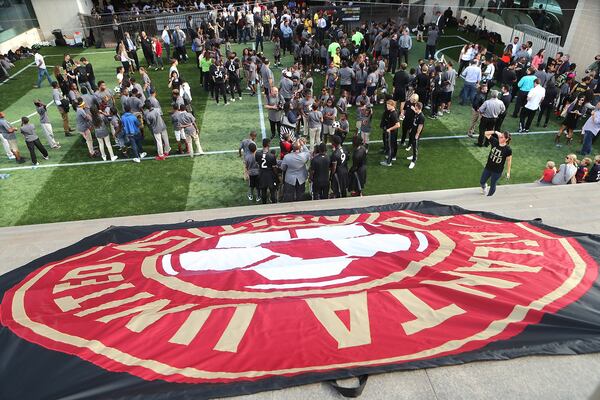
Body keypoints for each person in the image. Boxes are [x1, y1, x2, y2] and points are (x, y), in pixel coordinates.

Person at [480, 130, 512, 196]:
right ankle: (484, 187)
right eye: (500, 136)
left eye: (502, 137)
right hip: (488, 167)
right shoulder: (495, 141)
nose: (500, 138)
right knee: (482, 181)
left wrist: (508, 172)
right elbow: (485, 133)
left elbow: (509, 160)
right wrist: (495, 132)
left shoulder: (508, 149)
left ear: (506, 139)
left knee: (493, 184)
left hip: (497, 171)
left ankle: (489, 197)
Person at [281, 138, 310, 202]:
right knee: (300, 194)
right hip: (301, 178)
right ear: (300, 148)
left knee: (289, 195)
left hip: (290, 178)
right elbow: (308, 152)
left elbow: (283, 168)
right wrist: (303, 145)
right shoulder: (304, 156)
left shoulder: (287, 157)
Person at [256, 138, 278, 204]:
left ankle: (264, 205)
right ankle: (274, 204)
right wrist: (276, 174)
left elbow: (257, 164)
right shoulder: (272, 156)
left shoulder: (257, 154)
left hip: (261, 174)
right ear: (268, 144)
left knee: (263, 191)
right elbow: (274, 167)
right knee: (272, 191)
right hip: (270, 174)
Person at [380, 99, 400, 167]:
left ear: (392, 105)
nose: (387, 107)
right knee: (393, 145)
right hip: (394, 132)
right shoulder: (393, 111)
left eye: (388, 106)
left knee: (391, 147)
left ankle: (389, 162)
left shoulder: (393, 114)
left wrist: (389, 129)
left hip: (392, 133)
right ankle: (393, 157)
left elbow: (398, 125)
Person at [407, 102, 425, 169]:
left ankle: (413, 160)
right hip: (413, 132)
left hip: (416, 133)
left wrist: (417, 134)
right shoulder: (417, 113)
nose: (415, 107)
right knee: (412, 144)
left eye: (415, 106)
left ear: (418, 107)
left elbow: (420, 126)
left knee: (415, 146)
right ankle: (413, 155)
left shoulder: (421, 116)